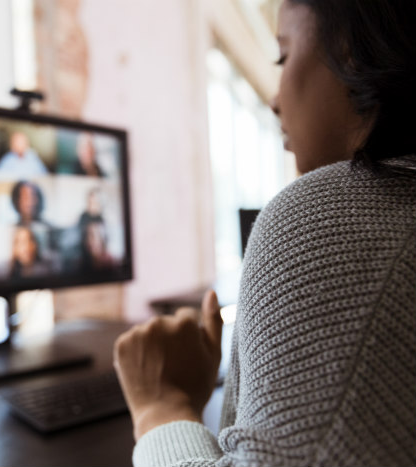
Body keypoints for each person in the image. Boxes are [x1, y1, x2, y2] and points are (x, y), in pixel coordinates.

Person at [114, 1, 416, 466]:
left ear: (351, 52)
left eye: (284, 56)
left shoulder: (325, 218)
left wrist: (161, 406)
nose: (274, 99)